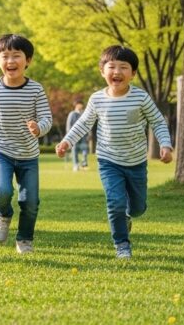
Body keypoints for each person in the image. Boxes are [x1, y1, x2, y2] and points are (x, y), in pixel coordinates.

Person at [56, 45, 173, 259]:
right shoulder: (97, 99)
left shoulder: (140, 97)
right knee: (115, 202)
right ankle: (122, 245)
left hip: (136, 161)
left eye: (123, 67)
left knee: (137, 208)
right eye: (111, 67)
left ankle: (128, 216)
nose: (117, 72)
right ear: (102, 71)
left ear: (133, 73)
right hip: (108, 160)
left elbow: (157, 121)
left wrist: (165, 144)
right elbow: (83, 124)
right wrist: (67, 142)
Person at [0, 34, 53, 254]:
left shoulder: (36, 89)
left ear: (28, 60)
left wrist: (39, 127)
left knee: (30, 201)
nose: (11, 61)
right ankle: (4, 215)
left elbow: (47, 117)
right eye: (5, 56)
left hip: (28, 154)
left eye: (17, 56)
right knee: (1, 190)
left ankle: (24, 239)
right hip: (0, 150)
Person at [66, 101, 88, 171]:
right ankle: (76, 165)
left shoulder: (84, 113)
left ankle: (84, 163)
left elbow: (87, 124)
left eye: (81, 105)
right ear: (76, 105)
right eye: (79, 104)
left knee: (85, 149)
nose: (80, 106)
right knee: (74, 150)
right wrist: (68, 136)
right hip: (74, 136)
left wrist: (88, 134)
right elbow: (69, 125)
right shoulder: (72, 114)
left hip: (83, 135)